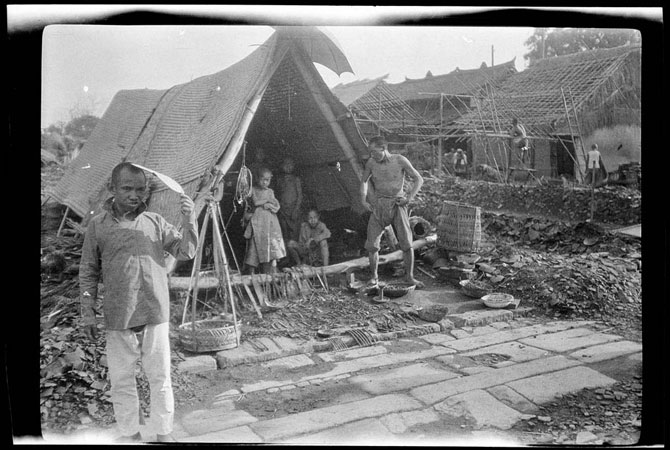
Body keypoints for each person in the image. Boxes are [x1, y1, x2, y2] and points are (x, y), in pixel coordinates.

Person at [79, 162, 198, 443]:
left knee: (160, 378)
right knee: (121, 380)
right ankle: (129, 433)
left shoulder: (155, 223)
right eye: (127, 188)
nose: (134, 195)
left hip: (154, 312)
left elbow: (187, 251)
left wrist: (189, 218)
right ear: (112, 189)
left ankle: (163, 432)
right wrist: (87, 314)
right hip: (118, 316)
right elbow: (88, 271)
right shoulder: (98, 226)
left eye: (140, 190)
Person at [360, 135, 425, 289]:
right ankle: (374, 277)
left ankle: (409, 277)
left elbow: (418, 179)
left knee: (407, 244)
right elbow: (363, 181)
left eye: (375, 152)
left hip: (398, 204)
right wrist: (364, 200)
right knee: (372, 245)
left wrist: (408, 198)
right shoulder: (371, 163)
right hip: (379, 205)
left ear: (384, 149)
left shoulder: (399, 160)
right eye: (370, 152)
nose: (372, 155)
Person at [243, 167, 286, 274]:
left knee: (270, 243)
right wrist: (267, 201)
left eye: (268, 180)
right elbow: (256, 202)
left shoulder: (270, 191)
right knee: (255, 244)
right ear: (257, 178)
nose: (265, 182)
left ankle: (271, 271)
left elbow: (276, 206)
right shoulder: (253, 190)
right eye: (263, 179)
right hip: (258, 221)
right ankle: (251, 273)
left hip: (270, 222)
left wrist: (270, 205)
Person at [276, 157, 303, 248]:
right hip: (283, 210)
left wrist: (296, 209)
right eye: (285, 164)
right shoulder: (280, 180)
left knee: (295, 234)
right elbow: (279, 194)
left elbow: (299, 196)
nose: (288, 167)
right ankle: (288, 257)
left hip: (293, 210)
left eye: (290, 164)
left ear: (294, 166)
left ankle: (296, 257)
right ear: (281, 166)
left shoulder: (296, 179)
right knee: (284, 233)